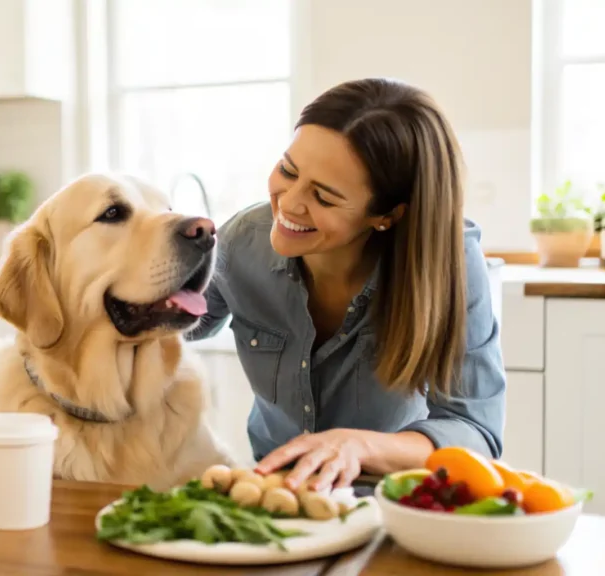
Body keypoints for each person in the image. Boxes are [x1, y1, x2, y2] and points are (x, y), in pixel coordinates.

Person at [186, 77, 505, 494]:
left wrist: (359, 445)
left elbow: (475, 433)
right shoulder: (243, 242)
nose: (289, 202)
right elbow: (168, 327)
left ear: (387, 215)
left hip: (391, 503)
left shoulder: (449, 266)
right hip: (276, 494)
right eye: (288, 170)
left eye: (324, 197)